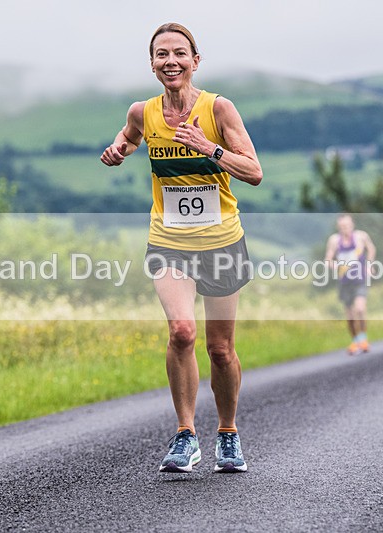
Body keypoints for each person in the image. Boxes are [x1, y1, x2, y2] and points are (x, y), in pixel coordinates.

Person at [100, 23, 262, 474]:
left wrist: (209, 148)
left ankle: (227, 433)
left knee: (220, 349)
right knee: (182, 332)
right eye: (161, 54)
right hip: (169, 241)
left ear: (195, 60)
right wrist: (118, 150)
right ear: (152, 64)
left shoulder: (218, 108)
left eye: (179, 53)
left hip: (221, 242)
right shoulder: (143, 111)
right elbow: (130, 137)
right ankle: (186, 434)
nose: (170, 61)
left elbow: (253, 171)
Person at [324, 214, 376, 355]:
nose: (344, 229)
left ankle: (363, 339)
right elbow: (328, 259)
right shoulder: (334, 240)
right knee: (350, 315)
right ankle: (355, 341)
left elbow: (371, 249)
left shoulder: (361, 237)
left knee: (360, 309)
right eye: (341, 226)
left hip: (359, 279)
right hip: (344, 282)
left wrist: (369, 265)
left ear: (352, 225)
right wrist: (334, 266)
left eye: (346, 226)